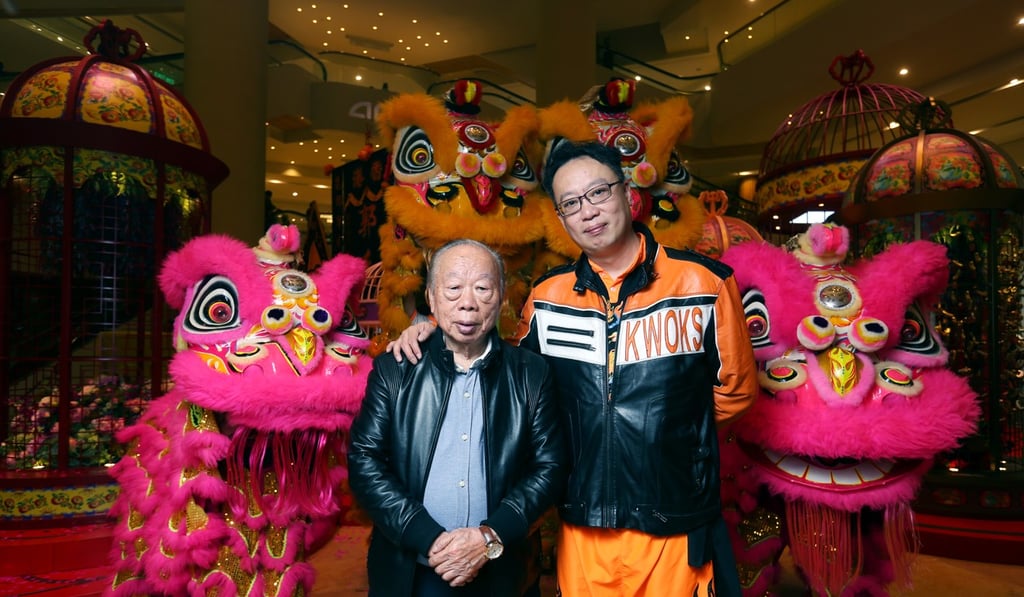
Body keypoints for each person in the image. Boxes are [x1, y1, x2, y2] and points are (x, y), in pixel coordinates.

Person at [389, 140, 758, 597]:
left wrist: (670, 438)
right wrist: (429, 333)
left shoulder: (705, 283)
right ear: (561, 220)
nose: (588, 211)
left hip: (674, 519)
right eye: (571, 203)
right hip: (582, 518)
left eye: (599, 192)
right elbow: (509, 379)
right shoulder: (547, 297)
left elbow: (737, 390)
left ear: (627, 193)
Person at [348, 239, 566, 597]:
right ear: (431, 298)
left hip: (502, 571)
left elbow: (549, 467)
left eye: (482, 288)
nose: (468, 302)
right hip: (413, 571)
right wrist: (428, 538)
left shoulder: (530, 374)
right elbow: (364, 461)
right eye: (453, 289)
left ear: (501, 298)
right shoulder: (396, 369)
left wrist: (489, 536)